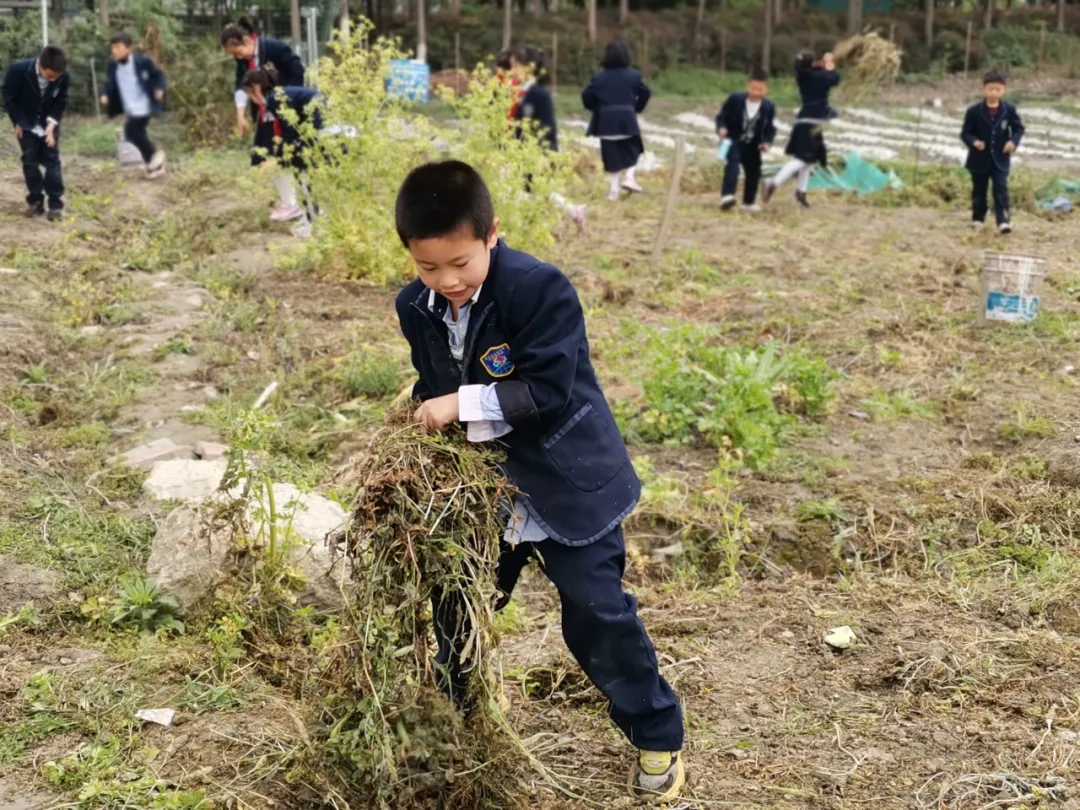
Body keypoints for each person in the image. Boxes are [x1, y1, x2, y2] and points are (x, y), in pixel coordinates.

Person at [394, 160, 687, 803]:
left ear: (491, 234)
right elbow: (432, 384)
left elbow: (549, 392)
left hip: (565, 484)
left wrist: (459, 404)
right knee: (458, 607)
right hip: (484, 493)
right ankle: (454, 728)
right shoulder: (414, 306)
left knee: (598, 615)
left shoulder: (537, 288)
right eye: (428, 268)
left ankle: (656, 732)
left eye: (460, 264)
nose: (446, 281)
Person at [221, 16, 306, 222]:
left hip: (286, 110)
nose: (238, 57)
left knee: (295, 156)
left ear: (246, 41)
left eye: (238, 52)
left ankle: (310, 204)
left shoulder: (275, 49)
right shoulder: (243, 61)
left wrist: (286, 99)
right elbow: (241, 86)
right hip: (266, 114)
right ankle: (290, 204)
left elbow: (298, 72)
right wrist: (240, 116)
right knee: (271, 157)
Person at [240, 68, 324, 238]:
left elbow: (289, 132)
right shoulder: (278, 95)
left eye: (250, 93)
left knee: (304, 176)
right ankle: (311, 218)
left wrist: (276, 159)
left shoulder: (276, 99)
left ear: (256, 88)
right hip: (318, 125)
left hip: (322, 126)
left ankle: (314, 223)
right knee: (301, 171)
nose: (251, 99)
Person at [510, 44, 587, 230]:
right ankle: (572, 212)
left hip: (539, 152)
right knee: (533, 191)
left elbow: (545, 128)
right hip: (527, 152)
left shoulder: (539, 95)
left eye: (516, 66)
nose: (512, 71)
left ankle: (569, 213)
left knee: (534, 190)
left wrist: (541, 154)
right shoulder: (525, 93)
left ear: (530, 67)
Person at [763, 50, 839, 209]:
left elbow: (816, 73)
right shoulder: (818, 77)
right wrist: (829, 65)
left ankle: (801, 193)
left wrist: (820, 65)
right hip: (810, 124)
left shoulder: (802, 77)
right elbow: (834, 78)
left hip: (809, 123)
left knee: (810, 160)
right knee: (802, 159)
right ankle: (773, 182)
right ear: (811, 64)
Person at [2, 46, 69, 221]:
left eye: (57, 76)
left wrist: (51, 125)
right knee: (30, 162)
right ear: (41, 65)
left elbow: (61, 101)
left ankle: (55, 204)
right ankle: (35, 202)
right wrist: (17, 120)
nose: (53, 79)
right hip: (25, 123)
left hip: (48, 124)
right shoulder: (18, 70)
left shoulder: (62, 77)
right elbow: (9, 96)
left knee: (52, 162)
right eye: (50, 76)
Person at [582, 40, 651, 201]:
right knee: (635, 149)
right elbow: (646, 92)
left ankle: (613, 191)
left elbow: (586, 96)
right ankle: (628, 176)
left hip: (605, 123)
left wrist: (597, 108)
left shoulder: (599, 77)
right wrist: (636, 107)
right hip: (627, 120)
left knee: (611, 157)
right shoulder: (633, 76)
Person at [960, 69, 1024, 234]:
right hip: (979, 158)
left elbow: (1018, 129)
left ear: (1004, 90)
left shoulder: (1009, 110)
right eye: (991, 89)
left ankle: (1003, 221)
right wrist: (974, 141)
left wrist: (1012, 142)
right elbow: (966, 132)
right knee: (979, 189)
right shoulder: (974, 111)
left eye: (998, 89)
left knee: (1000, 188)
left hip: (1000, 158)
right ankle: (978, 218)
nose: (994, 92)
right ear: (984, 89)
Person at [100, 32, 167, 179]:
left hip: (144, 104)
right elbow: (109, 83)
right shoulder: (112, 65)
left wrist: (160, 89)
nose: (114, 51)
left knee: (131, 131)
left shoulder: (142, 62)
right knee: (135, 134)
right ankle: (154, 165)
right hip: (129, 106)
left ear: (129, 48)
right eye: (113, 47)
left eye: (118, 47)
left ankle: (155, 155)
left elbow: (159, 75)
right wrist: (104, 94)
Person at [715, 67, 776, 212]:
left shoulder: (768, 106)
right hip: (734, 139)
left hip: (754, 143)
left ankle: (748, 202)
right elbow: (721, 116)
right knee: (733, 165)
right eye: (753, 88)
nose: (756, 92)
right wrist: (721, 128)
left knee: (754, 170)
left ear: (766, 89)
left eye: (760, 89)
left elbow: (770, 128)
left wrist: (767, 142)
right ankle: (727, 195)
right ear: (747, 85)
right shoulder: (735, 99)